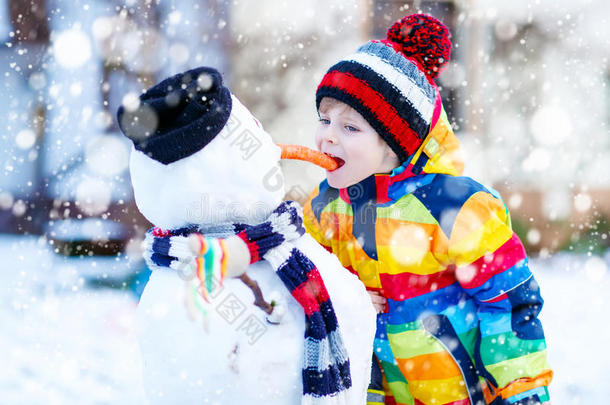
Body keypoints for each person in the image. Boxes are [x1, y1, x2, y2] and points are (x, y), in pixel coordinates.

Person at [303, 13, 552, 405]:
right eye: (324, 119)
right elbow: (304, 282)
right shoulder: (324, 208)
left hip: (456, 395)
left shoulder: (455, 206)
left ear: (394, 144)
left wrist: (521, 391)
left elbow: (507, 301)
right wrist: (342, 298)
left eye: (350, 128)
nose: (327, 136)